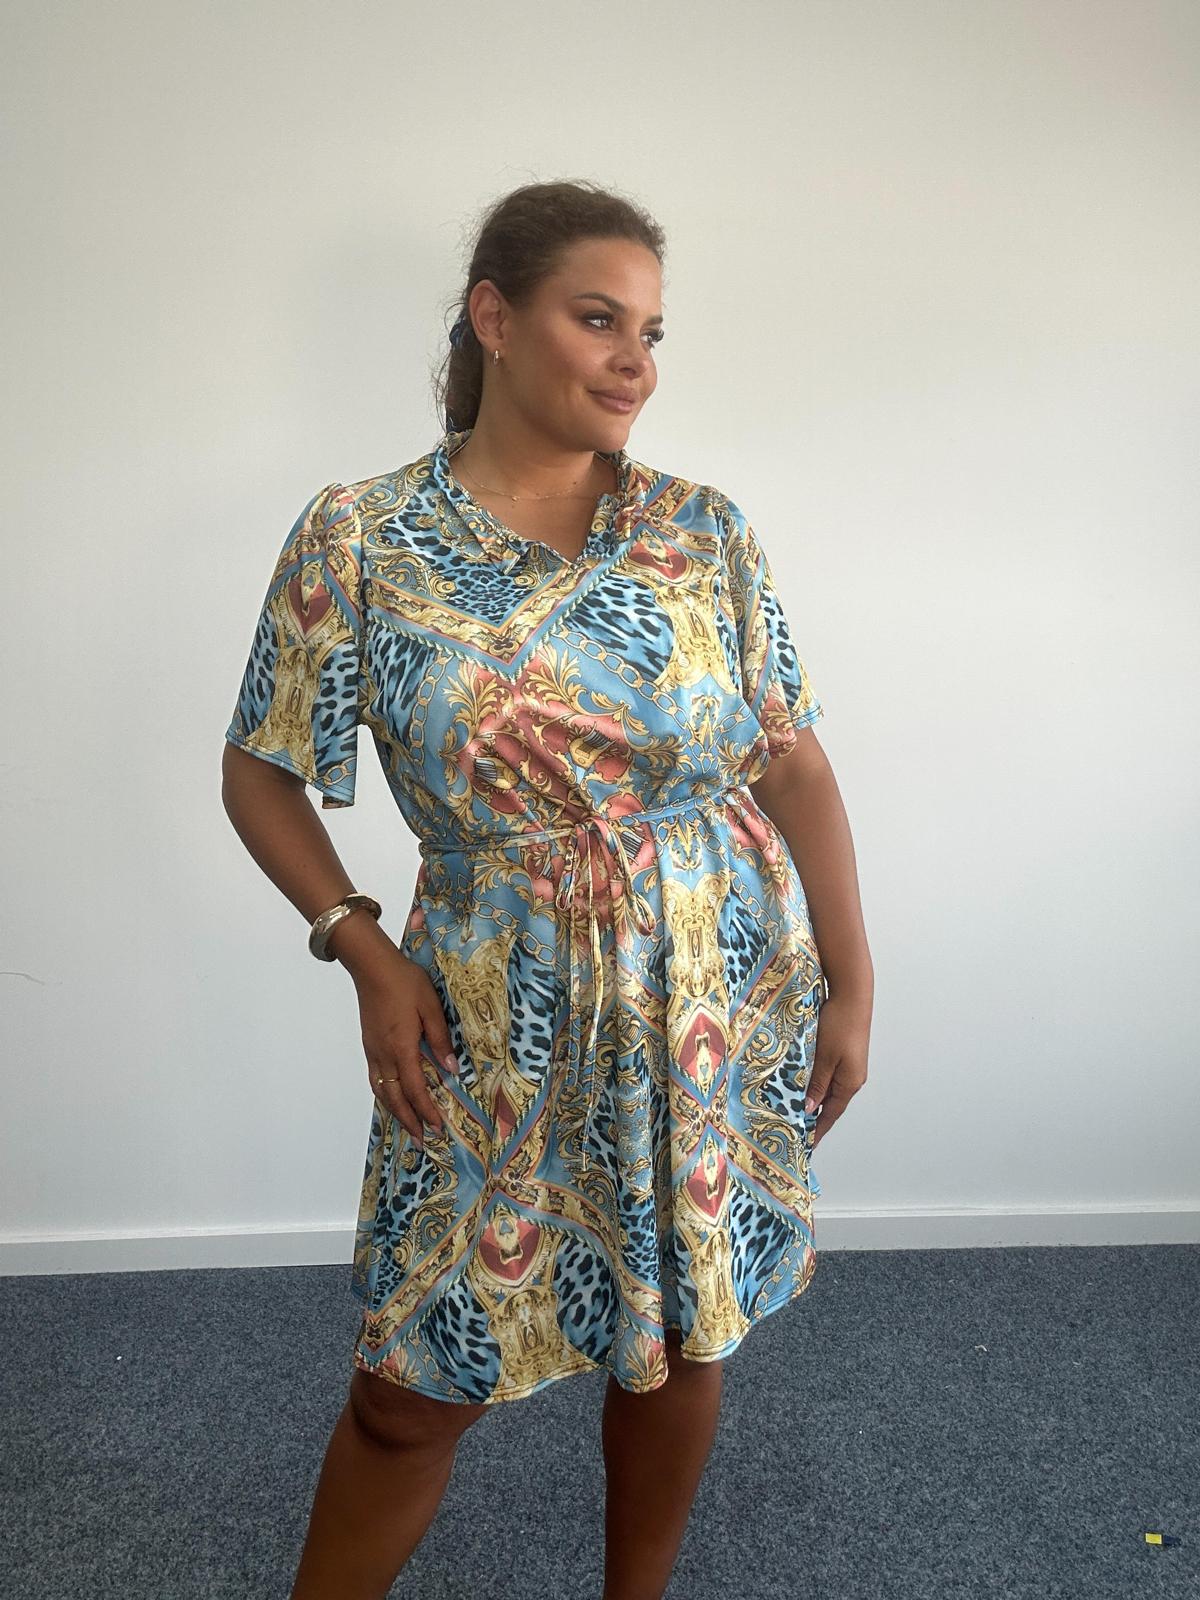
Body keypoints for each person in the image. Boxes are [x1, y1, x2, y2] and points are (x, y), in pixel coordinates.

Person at [221, 178, 873, 1600]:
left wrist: (855, 980)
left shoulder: (701, 531)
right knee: (410, 1386)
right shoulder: (361, 537)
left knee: (681, 1332)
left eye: (652, 331)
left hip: (707, 984)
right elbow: (260, 771)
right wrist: (360, 946)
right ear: (495, 318)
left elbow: (794, 765)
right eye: (599, 319)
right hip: (490, 1005)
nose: (636, 361)